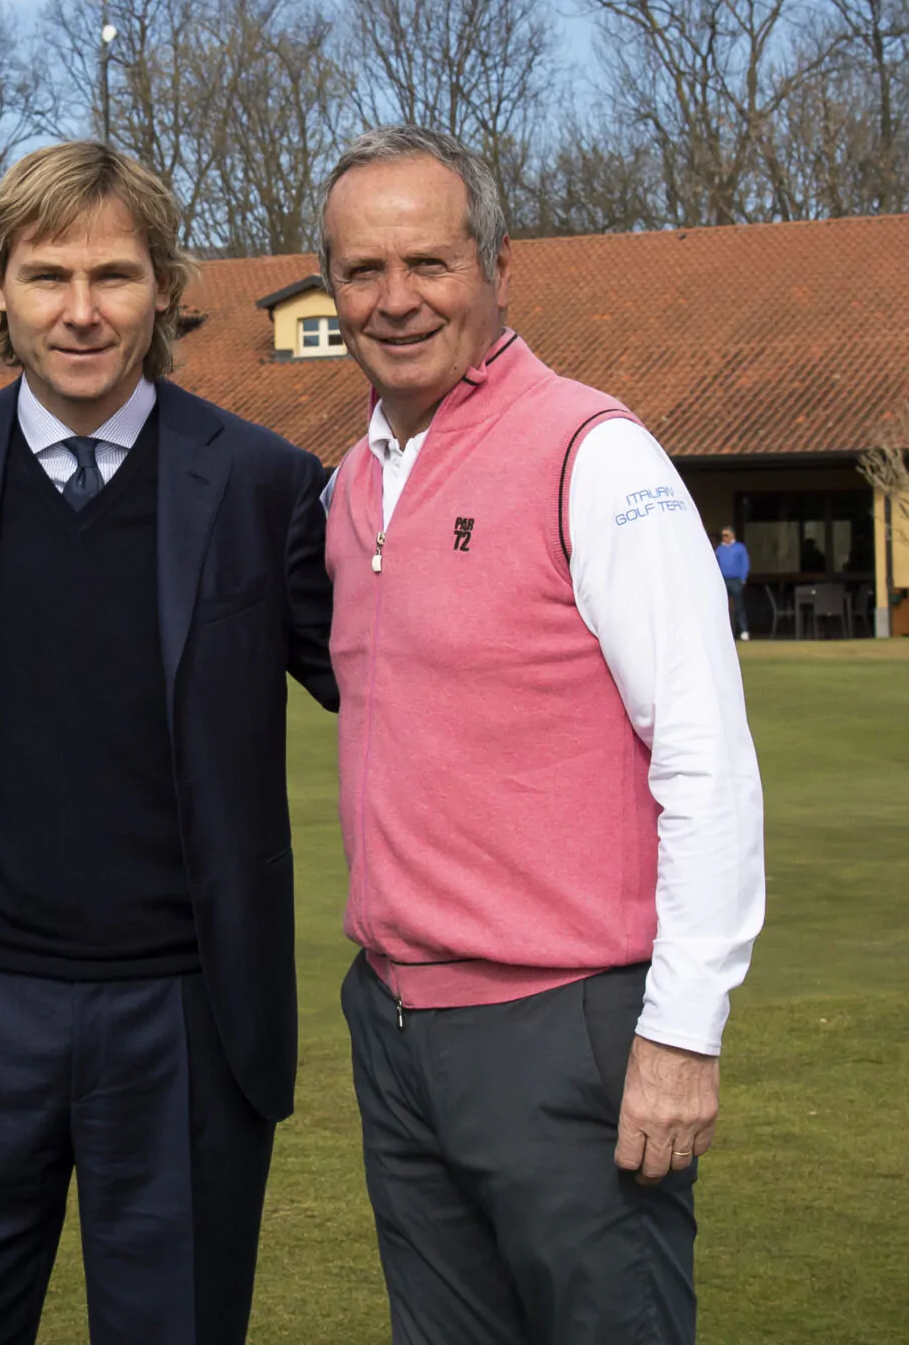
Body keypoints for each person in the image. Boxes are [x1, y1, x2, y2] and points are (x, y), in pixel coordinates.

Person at [0, 141, 338, 1345]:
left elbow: (397, 687)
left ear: (163, 287)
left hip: (186, 1017)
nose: (79, 310)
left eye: (113, 275)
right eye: (45, 273)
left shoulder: (265, 483)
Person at [317, 125, 766, 1345]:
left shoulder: (593, 452)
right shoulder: (351, 482)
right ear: (329, 289)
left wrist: (681, 1033)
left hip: (563, 1027)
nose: (396, 299)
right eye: (363, 271)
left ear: (497, 267)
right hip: (397, 1027)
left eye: (431, 261)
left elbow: (706, 760)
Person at [715, 526, 752, 640]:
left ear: (732, 536)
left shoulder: (740, 548)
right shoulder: (719, 549)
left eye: (726, 535)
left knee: (739, 606)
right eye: (723, 535)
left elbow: (745, 563)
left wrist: (743, 578)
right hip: (723, 581)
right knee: (723, 607)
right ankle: (726, 632)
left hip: (736, 580)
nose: (724, 537)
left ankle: (743, 630)